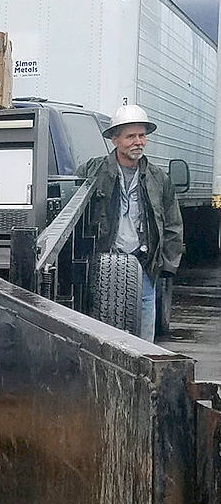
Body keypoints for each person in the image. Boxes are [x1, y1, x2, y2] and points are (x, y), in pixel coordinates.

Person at [77, 103, 183, 343]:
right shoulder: (92, 171)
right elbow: (72, 213)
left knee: (145, 321)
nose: (138, 142)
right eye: (131, 136)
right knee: (101, 325)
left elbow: (173, 224)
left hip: (143, 262)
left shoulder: (158, 178)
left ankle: (143, 373)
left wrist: (167, 266)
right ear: (115, 140)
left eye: (142, 135)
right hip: (104, 261)